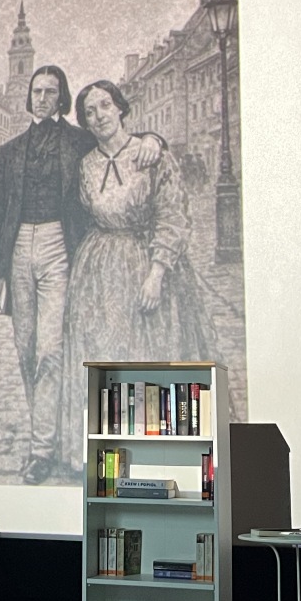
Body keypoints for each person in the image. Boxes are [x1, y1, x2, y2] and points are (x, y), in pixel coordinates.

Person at [0, 65, 159, 484]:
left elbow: (119, 138)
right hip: (18, 250)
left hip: (59, 245)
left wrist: (154, 140)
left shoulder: (77, 140)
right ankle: (47, 431)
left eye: (50, 92)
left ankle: (42, 449)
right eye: (36, 91)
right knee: (26, 348)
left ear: (61, 98)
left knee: (50, 350)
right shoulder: (9, 151)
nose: (41, 98)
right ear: (29, 97)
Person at [60, 79, 211, 466]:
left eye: (105, 105)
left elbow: (173, 215)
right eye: (89, 112)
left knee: (147, 356)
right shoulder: (86, 164)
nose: (99, 116)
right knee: (102, 356)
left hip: (144, 263)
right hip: (96, 271)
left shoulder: (150, 154)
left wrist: (157, 273)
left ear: (120, 108)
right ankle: (105, 454)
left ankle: (153, 453)